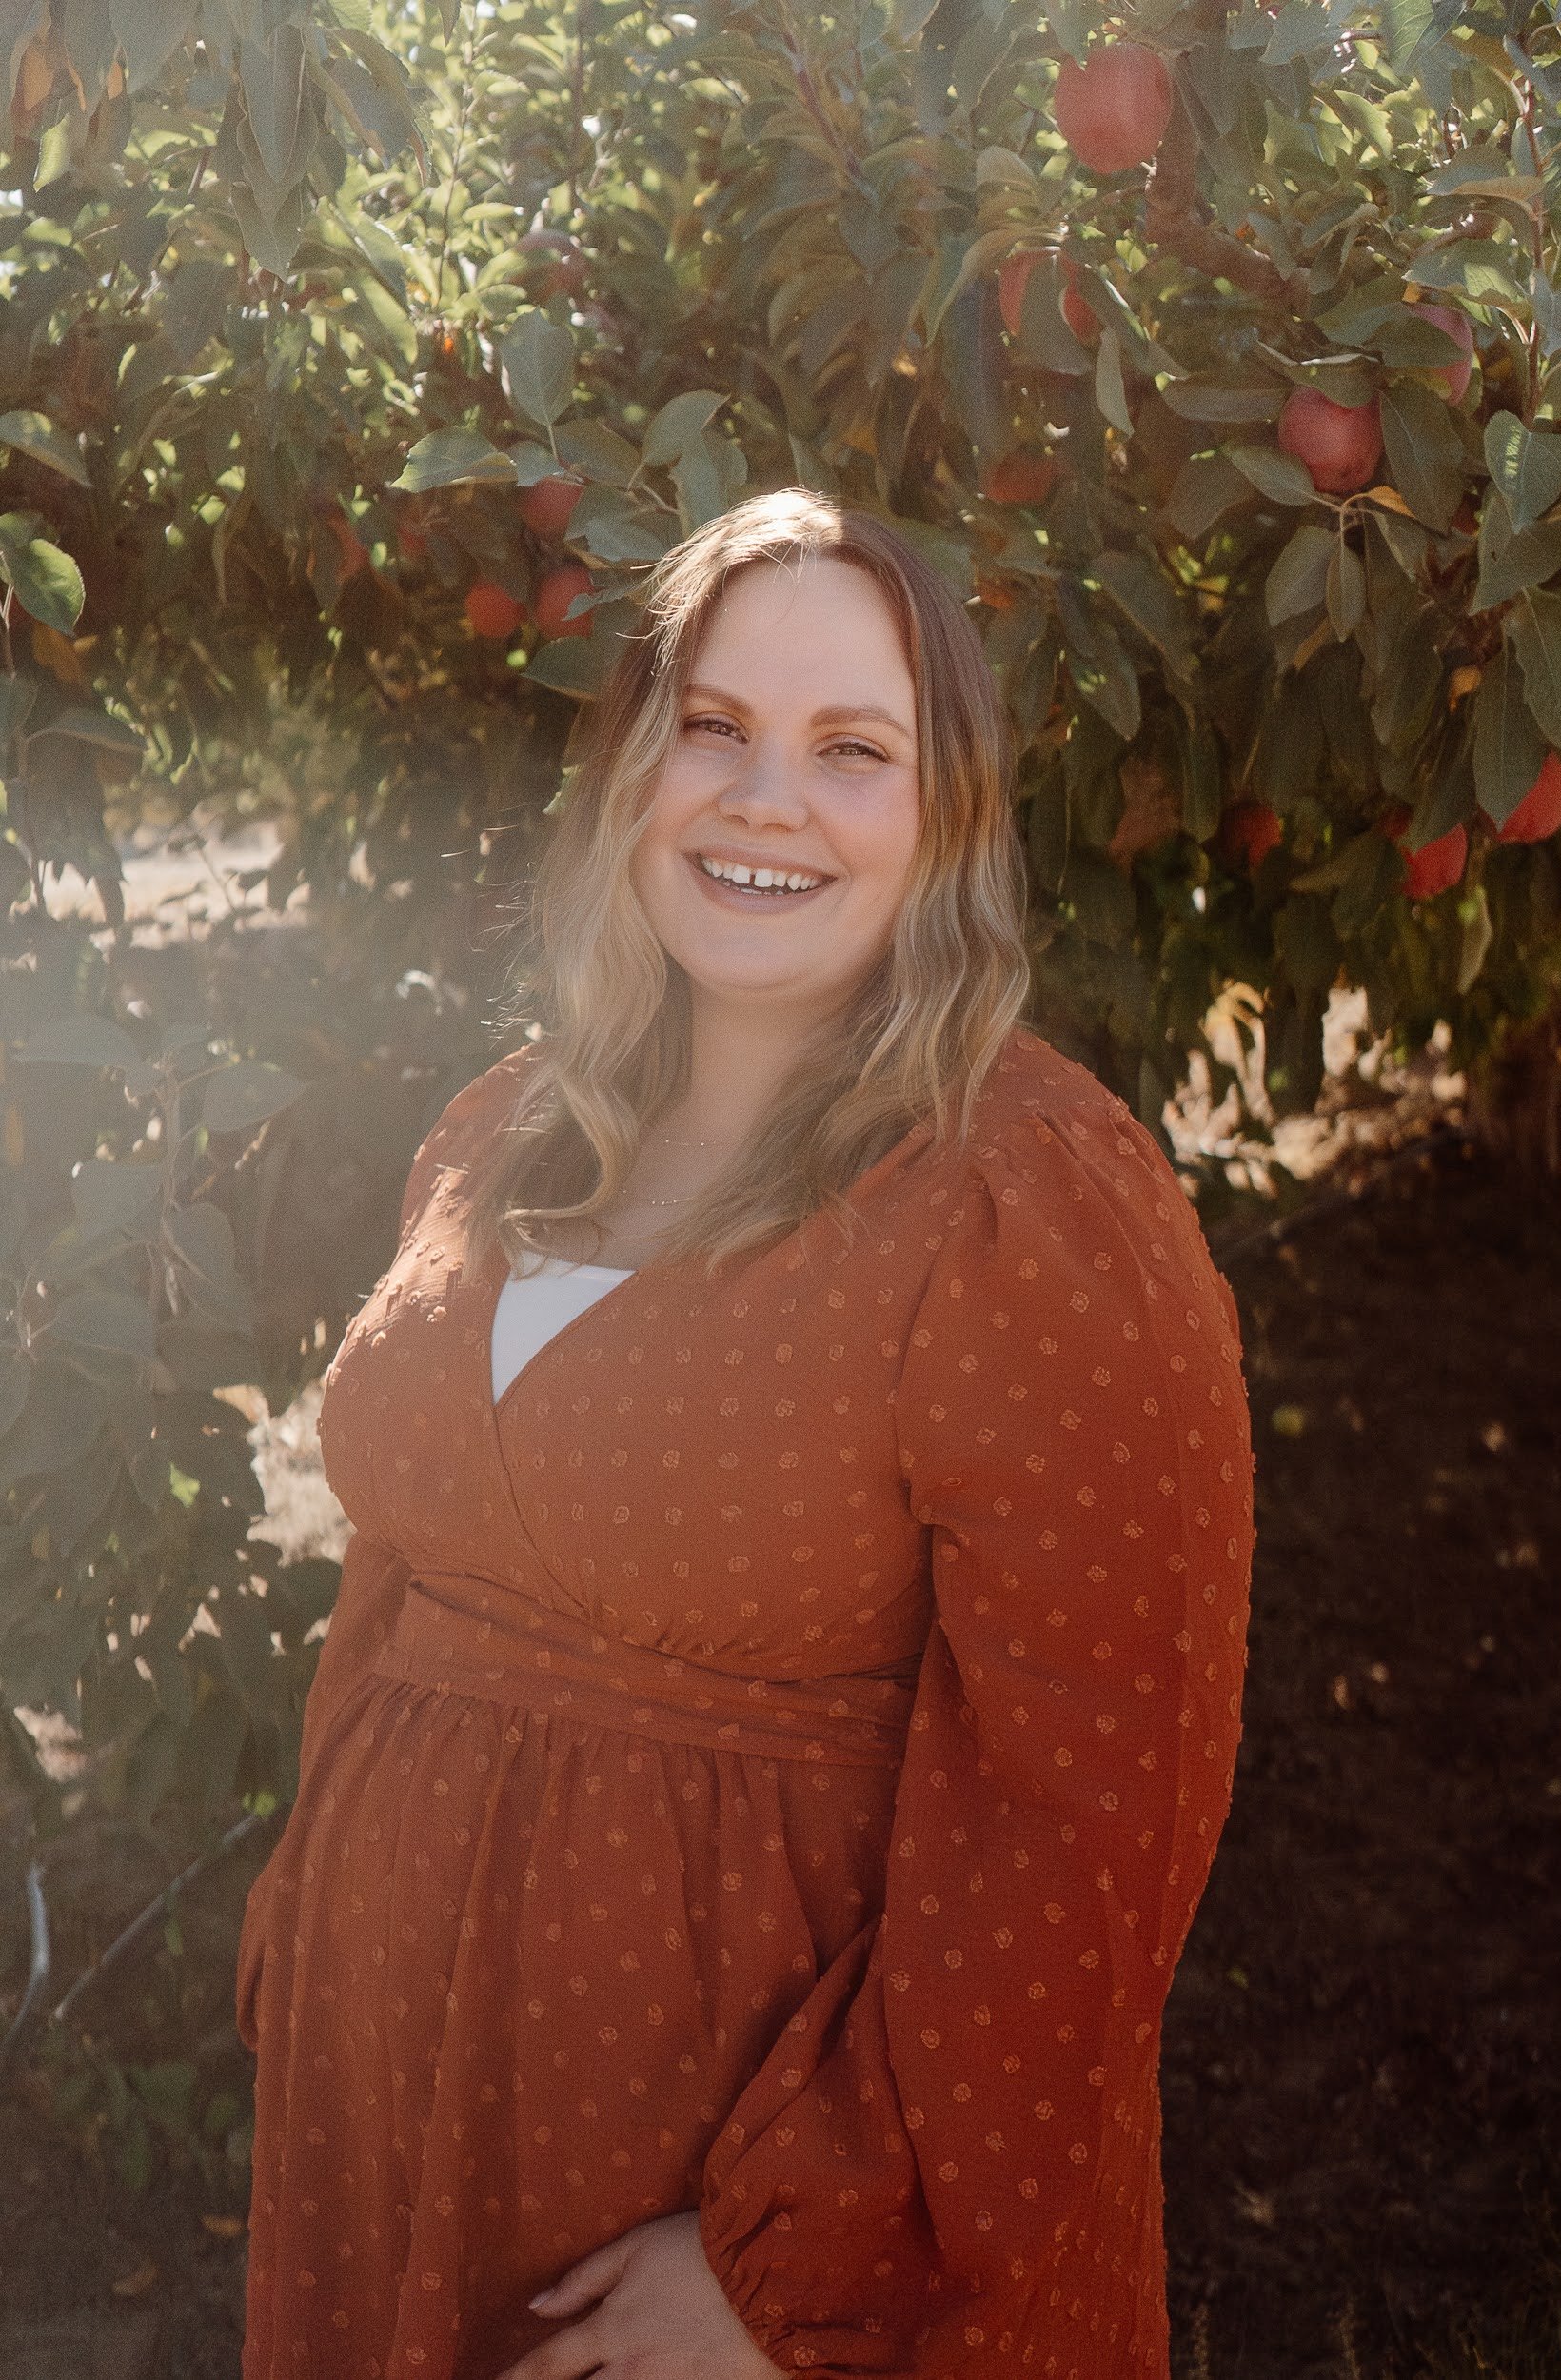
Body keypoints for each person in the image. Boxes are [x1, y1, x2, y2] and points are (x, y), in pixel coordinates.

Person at [236, 486, 1255, 2380]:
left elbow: (1091, 1814)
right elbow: (405, 1570)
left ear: (947, 812)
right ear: (635, 767)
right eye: (713, 725)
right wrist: (316, 1923)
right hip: (395, 2120)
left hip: (735, 2210)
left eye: (851, 748)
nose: (766, 797)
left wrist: (798, 2262)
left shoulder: (1029, 1205)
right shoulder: (507, 1130)